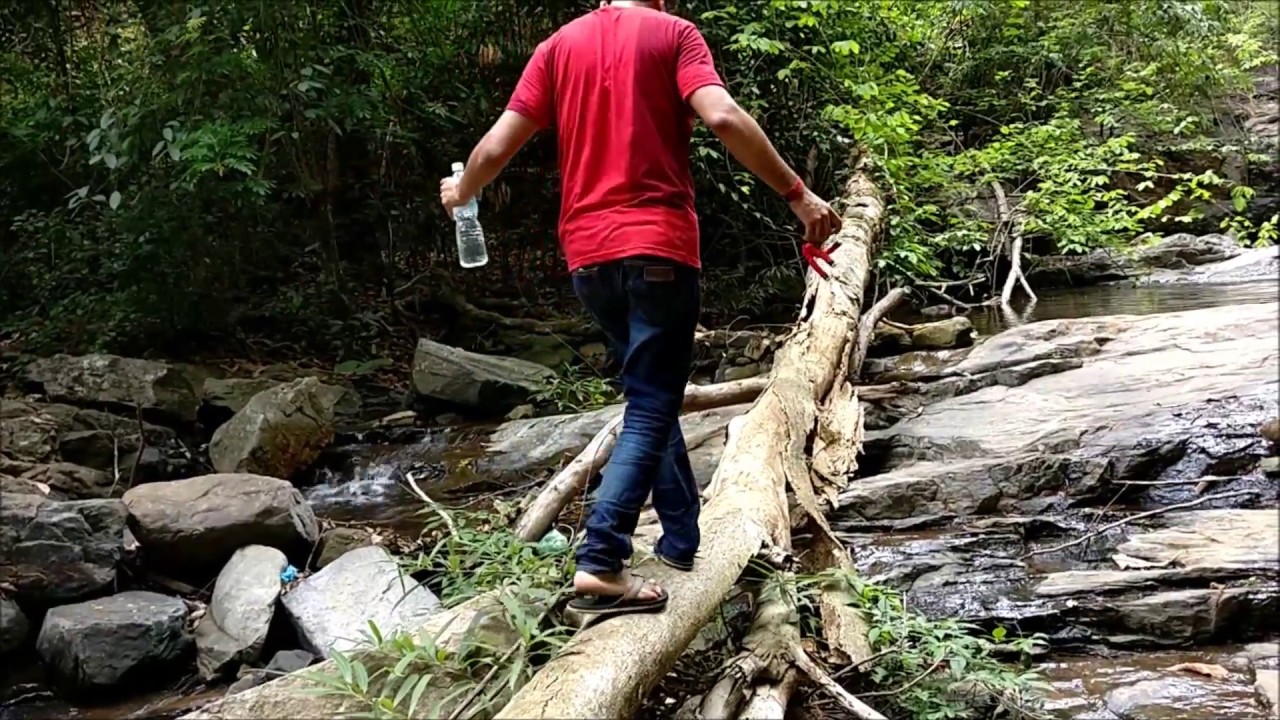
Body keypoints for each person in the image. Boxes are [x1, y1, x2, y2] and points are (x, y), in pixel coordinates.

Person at [439, 0, 842, 617]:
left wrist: (461, 191)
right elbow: (723, 115)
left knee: (651, 393)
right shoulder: (675, 35)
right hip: (657, 247)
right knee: (654, 401)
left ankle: (681, 539)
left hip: (588, 259)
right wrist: (798, 194)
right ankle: (600, 561)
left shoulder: (559, 46)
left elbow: (495, 147)